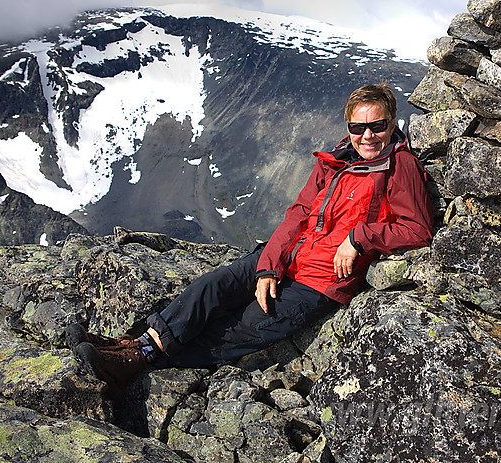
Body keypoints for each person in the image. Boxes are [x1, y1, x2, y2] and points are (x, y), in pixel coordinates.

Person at [70, 82, 434, 391]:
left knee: (245, 325)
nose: (367, 135)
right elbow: (299, 214)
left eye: (377, 126)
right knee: (213, 286)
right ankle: (130, 344)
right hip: (287, 257)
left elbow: (417, 229)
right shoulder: (335, 161)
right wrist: (269, 266)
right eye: (358, 128)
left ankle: (135, 360)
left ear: (391, 123)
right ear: (348, 126)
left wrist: (359, 238)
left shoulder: (400, 167)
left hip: (321, 282)